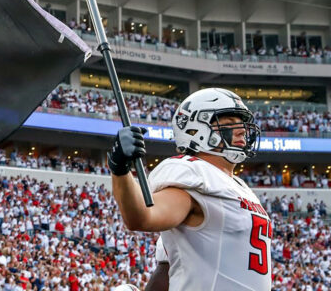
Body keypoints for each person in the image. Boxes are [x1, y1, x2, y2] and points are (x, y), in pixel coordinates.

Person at [109, 88, 271, 290]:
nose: (241, 131)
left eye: (241, 125)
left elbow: (170, 270)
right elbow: (143, 216)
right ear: (196, 129)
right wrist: (120, 168)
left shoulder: (239, 186)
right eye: (228, 124)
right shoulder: (194, 172)